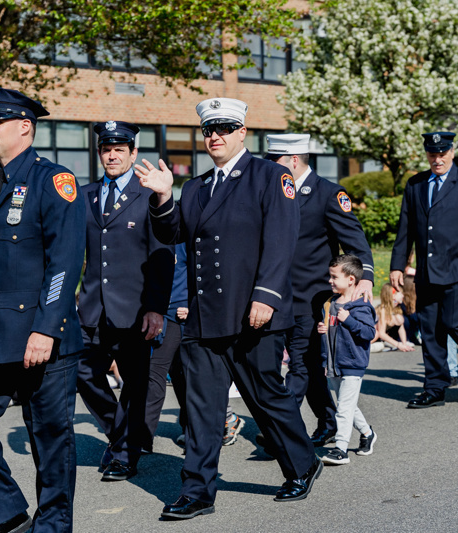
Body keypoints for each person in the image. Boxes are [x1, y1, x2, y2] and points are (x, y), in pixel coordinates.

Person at [136, 97, 321, 519]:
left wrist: (267, 295)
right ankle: (198, 491)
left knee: (266, 397)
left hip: (253, 310)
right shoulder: (197, 187)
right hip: (205, 316)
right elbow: (173, 232)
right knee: (202, 407)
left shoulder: (270, 176)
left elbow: (281, 239)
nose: (214, 136)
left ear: (242, 132)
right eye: (208, 130)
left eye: (223, 128)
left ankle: (302, 463)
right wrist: (163, 197)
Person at [0, 87, 86, 532]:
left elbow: (65, 264)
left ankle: (53, 524)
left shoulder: (55, 181)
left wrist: (47, 328)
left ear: (24, 126)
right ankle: (7, 509)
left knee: (49, 437)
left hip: (40, 333)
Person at [75, 120, 173, 482]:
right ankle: (122, 437)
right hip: (91, 308)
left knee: (135, 383)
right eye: (105, 149)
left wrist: (156, 308)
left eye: (119, 149)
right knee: (80, 371)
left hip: (134, 310)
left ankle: (123, 456)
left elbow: (163, 254)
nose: (111, 155)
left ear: (133, 153)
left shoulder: (148, 194)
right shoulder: (85, 196)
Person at [264, 133, 375, 447]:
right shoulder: (271, 193)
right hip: (273, 296)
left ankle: (279, 433)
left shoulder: (327, 193)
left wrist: (365, 276)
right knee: (309, 365)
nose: (270, 168)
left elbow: (355, 241)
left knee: (299, 364)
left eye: (276, 162)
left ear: (294, 161)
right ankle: (327, 421)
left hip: (310, 297)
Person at [390, 131, 458, 408]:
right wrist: (397, 265)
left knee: (455, 322)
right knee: (430, 330)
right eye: (432, 154)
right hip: (427, 270)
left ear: (452, 152)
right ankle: (435, 387)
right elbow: (406, 228)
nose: (437, 159)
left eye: (442, 153)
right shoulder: (415, 184)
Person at [317, 255, 377, 465]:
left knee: (343, 408)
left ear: (351, 279)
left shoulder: (361, 306)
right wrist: (324, 332)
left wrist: (349, 320)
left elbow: (370, 333)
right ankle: (368, 433)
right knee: (347, 405)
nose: (330, 281)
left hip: (352, 364)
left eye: (334, 277)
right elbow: (330, 335)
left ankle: (341, 449)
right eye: (330, 276)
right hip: (333, 364)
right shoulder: (330, 304)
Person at [143, 243, 189, 453]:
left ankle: (143, 437)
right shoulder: (151, 234)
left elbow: (200, 270)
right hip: (156, 313)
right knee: (167, 373)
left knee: (177, 374)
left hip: (180, 314)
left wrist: (190, 302)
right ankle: (143, 436)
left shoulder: (184, 236)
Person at [375, 284, 413, 352]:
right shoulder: (382, 310)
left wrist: (404, 344)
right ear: (393, 295)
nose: (403, 295)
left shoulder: (395, 309)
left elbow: (401, 327)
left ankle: (385, 344)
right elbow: (381, 333)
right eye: (400, 293)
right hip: (373, 337)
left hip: (380, 337)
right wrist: (398, 345)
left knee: (399, 318)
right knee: (376, 334)